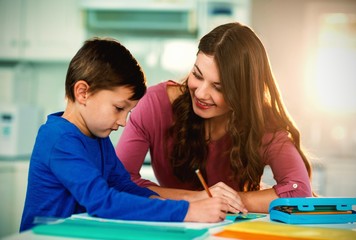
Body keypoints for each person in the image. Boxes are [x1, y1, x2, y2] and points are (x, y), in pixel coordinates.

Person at [20, 38, 233, 232]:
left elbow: (125, 187)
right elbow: (102, 201)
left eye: (128, 112)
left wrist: (186, 206)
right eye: (118, 108)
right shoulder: (59, 139)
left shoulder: (98, 138)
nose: (123, 122)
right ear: (83, 93)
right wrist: (187, 212)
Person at [115, 22, 314, 213]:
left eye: (218, 87)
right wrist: (199, 199)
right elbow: (119, 181)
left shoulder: (263, 122)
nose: (201, 93)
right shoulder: (154, 105)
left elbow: (299, 191)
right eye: (197, 75)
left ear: (243, 93)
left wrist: (232, 200)